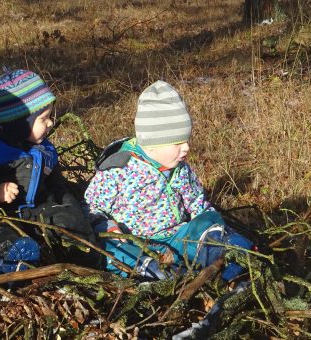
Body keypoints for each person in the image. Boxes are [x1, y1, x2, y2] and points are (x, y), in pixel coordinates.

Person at [84, 80, 253, 280]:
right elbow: (91, 206)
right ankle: (156, 273)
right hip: (138, 244)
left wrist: (214, 230)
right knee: (111, 249)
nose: (186, 148)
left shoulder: (181, 169)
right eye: (177, 143)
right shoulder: (118, 169)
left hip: (176, 240)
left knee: (211, 222)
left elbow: (198, 205)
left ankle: (233, 262)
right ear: (153, 143)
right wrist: (110, 228)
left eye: (187, 140)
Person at [0, 68, 95, 276]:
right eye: (43, 118)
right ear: (18, 122)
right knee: (0, 235)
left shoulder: (44, 149)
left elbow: (57, 185)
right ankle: (9, 267)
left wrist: (70, 207)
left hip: (37, 211)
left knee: (72, 222)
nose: (51, 123)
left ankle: (87, 264)